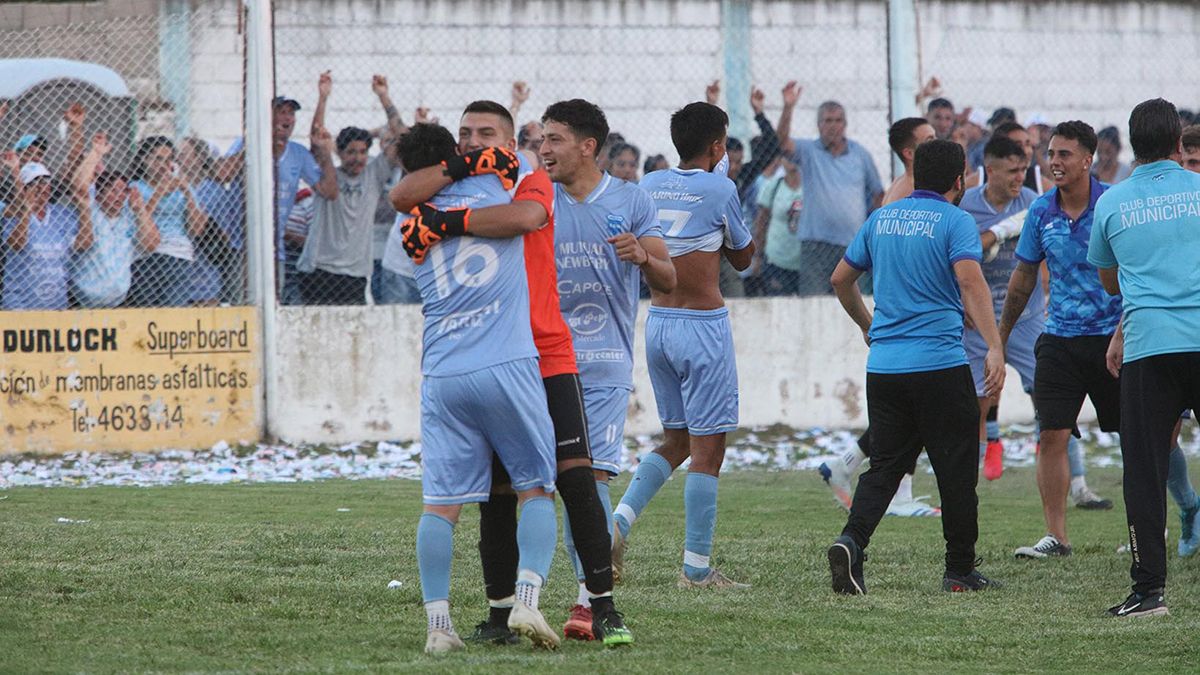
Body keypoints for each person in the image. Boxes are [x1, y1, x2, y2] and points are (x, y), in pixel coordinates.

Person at [390, 99, 638, 647]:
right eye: (466, 134)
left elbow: (525, 219)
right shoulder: (456, 182)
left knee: (574, 479)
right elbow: (400, 195)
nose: (475, 141)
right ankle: (503, 613)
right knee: (499, 497)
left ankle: (603, 607)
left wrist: (443, 222)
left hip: (544, 351)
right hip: (501, 357)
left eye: (487, 133)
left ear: (508, 141)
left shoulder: (524, 178)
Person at [391, 123, 561, 653]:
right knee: (535, 487)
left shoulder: (413, 224)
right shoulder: (497, 183)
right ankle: (527, 599)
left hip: (443, 373)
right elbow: (527, 214)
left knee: (440, 507)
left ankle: (439, 628)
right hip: (506, 362)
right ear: (455, 153)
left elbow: (402, 196)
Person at [826, 139, 1004, 595]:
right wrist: (993, 345)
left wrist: (869, 326)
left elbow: (840, 279)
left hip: (885, 368)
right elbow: (969, 280)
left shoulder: (881, 219)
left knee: (885, 465)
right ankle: (959, 570)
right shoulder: (956, 220)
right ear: (959, 180)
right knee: (956, 469)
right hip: (940, 366)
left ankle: (852, 541)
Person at [613, 102, 754, 589]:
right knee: (708, 449)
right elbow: (743, 257)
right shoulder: (721, 187)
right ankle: (696, 569)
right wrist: (725, 182)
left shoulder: (649, 183)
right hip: (702, 325)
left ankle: (619, 522)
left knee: (676, 440)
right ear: (718, 147)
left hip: (659, 324)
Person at [1091, 98, 1200, 618]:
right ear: (1180, 143)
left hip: (1149, 344)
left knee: (1144, 469)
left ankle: (1149, 591)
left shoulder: (1112, 202)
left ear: (1134, 146)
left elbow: (1110, 279)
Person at [999, 121, 1122, 560]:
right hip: (1059, 340)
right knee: (1051, 434)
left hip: (1114, 340)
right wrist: (1001, 335)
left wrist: (1127, 330)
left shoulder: (1114, 203)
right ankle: (1057, 537)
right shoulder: (1040, 211)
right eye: (1051, 153)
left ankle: (1151, 528)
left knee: (1144, 437)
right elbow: (1024, 275)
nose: (1054, 162)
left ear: (1088, 160)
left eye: (1065, 154)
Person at [817, 117, 943, 518]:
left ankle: (846, 465)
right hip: (908, 319)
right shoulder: (905, 195)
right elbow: (868, 267)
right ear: (910, 152)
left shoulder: (910, 190)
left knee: (909, 413)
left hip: (906, 319)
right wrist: (870, 323)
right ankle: (897, 495)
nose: (938, 143)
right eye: (929, 140)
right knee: (917, 409)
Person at [220, 90, 338, 304]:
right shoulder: (246, 143)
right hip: (242, 247)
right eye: (281, 112)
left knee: (273, 306)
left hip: (277, 250)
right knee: (241, 307)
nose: (287, 118)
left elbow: (329, 191)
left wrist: (326, 152)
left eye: (291, 114)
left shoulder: (298, 153)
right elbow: (223, 174)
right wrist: (255, 141)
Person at [296, 74, 403, 305]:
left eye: (363, 152)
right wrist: (323, 98)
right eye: (351, 152)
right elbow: (317, 139)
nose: (358, 158)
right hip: (319, 269)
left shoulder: (374, 174)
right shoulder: (327, 175)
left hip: (354, 272)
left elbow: (403, 139)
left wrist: (383, 96)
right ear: (340, 153)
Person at [775, 83, 883, 295]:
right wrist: (788, 107)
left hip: (852, 246)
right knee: (812, 303)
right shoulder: (809, 151)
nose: (833, 126)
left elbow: (878, 193)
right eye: (828, 121)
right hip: (816, 245)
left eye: (838, 120)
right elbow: (782, 142)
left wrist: (874, 233)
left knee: (855, 305)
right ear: (818, 125)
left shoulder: (860, 154)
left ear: (845, 124)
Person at [70, 133, 159, 308]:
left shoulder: (129, 216)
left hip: (117, 303)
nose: (119, 196)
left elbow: (151, 244)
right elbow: (79, 187)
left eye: (123, 191)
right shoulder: (91, 211)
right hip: (82, 302)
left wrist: (140, 209)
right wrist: (96, 153)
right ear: (99, 194)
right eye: (112, 190)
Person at [126, 136, 207, 307]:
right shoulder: (135, 187)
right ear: (144, 160)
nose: (163, 165)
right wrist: (159, 193)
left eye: (168, 159)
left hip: (178, 253)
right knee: (146, 309)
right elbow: (138, 218)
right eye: (157, 159)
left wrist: (186, 190)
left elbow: (196, 229)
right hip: (145, 255)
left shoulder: (182, 188)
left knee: (174, 310)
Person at [2, 162, 88, 310]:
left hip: (56, 304)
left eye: (46, 181)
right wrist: (27, 210)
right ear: (24, 189)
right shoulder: (13, 216)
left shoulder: (62, 214)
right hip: (19, 305)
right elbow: (17, 244)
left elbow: (82, 244)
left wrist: (85, 208)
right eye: (35, 182)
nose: (42, 187)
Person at [751, 154, 803, 295]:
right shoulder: (772, 186)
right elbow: (761, 223)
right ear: (780, 160)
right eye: (787, 157)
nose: (791, 161)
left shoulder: (810, 188)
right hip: (776, 260)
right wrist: (758, 256)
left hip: (804, 262)